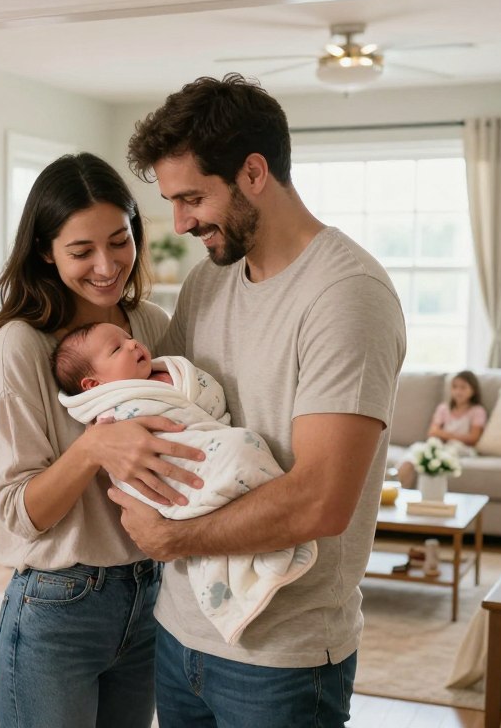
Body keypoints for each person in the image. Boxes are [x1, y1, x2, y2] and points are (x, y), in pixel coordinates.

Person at [112, 74, 406, 727]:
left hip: (283, 661)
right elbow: (173, 421)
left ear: (252, 173)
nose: (180, 222)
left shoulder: (346, 295)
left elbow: (322, 500)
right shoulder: (205, 284)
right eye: (172, 201)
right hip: (180, 632)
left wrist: (171, 537)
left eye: (192, 198)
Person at [0, 152, 205, 728]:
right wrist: (94, 447)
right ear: (46, 251)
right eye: (81, 251)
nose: (106, 265)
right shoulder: (21, 346)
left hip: (152, 597)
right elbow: (17, 513)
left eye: (120, 241)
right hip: (58, 608)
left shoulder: (149, 324)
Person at [52, 321, 318, 646]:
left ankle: (261, 524)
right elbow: (117, 451)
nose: (133, 345)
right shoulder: (109, 411)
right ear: (94, 383)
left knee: (240, 448)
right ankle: (260, 537)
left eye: (129, 338)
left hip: (204, 439)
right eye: (117, 348)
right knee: (242, 449)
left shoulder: (168, 372)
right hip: (167, 473)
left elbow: (210, 403)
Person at [395, 370, 486, 488]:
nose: (458, 391)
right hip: (441, 446)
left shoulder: (477, 411)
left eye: (463, 387)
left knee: (447, 451)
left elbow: (473, 438)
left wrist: (444, 434)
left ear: (473, 390)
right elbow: (432, 432)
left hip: (461, 449)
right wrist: (451, 436)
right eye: (455, 387)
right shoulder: (444, 408)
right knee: (416, 450)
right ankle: (398, 484)